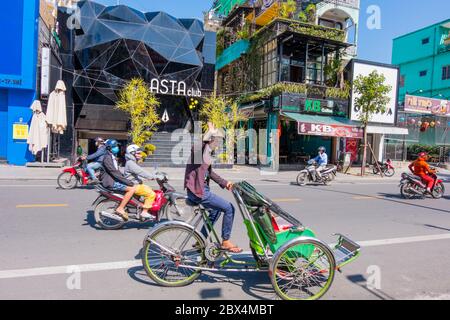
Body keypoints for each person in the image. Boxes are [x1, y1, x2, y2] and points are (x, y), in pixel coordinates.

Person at [184, 128, 242, 253]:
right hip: (198, 191)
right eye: (218, 141)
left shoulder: (206, 153)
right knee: (229, 208)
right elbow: (196, 147)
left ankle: (201, 240)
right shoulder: (200, 151)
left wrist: (225, 183)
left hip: (200, 190)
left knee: (215, 211)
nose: (219, 144)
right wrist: (209, 132)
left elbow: (210, 173)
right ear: (212, 140)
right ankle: (225, 241)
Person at [101, 139, 136, 220]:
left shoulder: (112, 157)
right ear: (109, 148)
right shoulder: (107, 158)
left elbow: (117, 171)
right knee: (131, 189)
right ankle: (120, 208)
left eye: (116, 146)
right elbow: (113, 172)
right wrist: (127, 181)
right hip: (110, 182)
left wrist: (125, 179)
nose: (117, 148)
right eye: (115, 146)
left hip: (114, 180)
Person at [124, 144, 159, 220]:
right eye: (138, 153)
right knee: (151, 194)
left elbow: (137, 174)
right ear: (132, 153)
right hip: (133, 185)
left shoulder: (132, 162)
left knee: (149, 188)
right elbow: (141, 172)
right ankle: (144, 212)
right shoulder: (130, 163)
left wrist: (147, 177)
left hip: (135, 183)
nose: (140, 155)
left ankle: (142, 207)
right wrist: (152, 176)